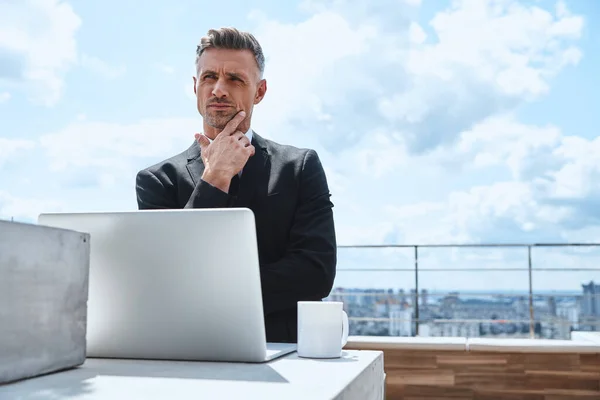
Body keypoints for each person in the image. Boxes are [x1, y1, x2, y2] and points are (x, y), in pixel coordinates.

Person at [135, 27, 337, 343]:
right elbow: (169, 274)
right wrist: (214, 178)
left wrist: (210, 293)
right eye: (209, 77)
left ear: (259, 91)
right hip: (191, 347)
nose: (218, 89)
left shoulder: (299, 167)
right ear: (195, 87)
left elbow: (315, 273)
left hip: (283, 352)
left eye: (235, 79)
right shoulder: (157, 180)